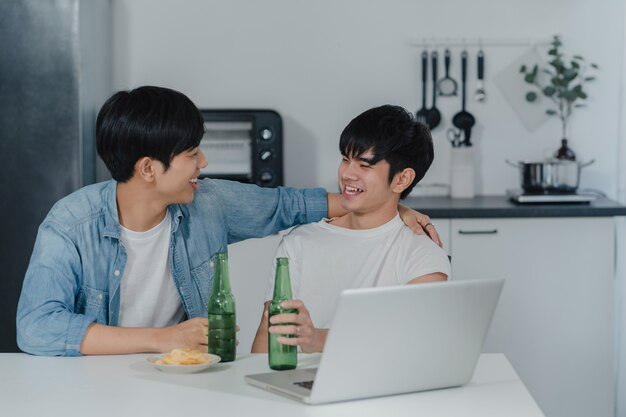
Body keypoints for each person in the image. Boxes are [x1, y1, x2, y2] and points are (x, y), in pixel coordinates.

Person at [16, 87, 438, 356]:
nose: (203, 162)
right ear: (148, 169)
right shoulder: (71, 224)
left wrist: (391, 205)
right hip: (93, 385)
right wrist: (163, 339)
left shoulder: (207, 201)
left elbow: (288, 206)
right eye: (190, 155)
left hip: (184, 377)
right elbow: (36, 328)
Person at [251, 104, 450, 354]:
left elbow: (412, 342)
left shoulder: (423, 254)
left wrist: (318, 340)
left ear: (402, 179)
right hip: (300, 385)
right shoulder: (299, 242)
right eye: (346, 159)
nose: (347, 174)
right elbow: (265, 344)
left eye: (364, 166)